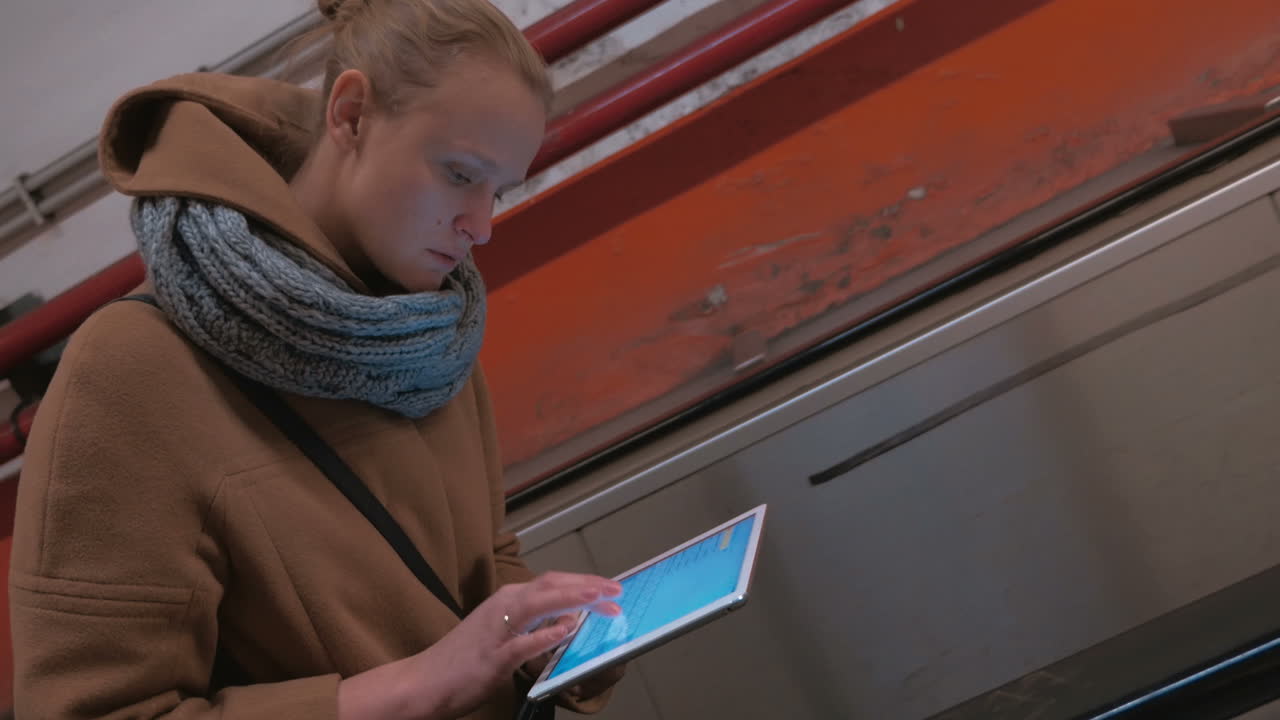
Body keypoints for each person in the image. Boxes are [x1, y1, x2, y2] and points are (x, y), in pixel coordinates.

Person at [9, 0, 628, 718]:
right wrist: (418, 686)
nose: (481, 226)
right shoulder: (129, 370)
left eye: (499, 190)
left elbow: (476, 566)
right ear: (353, 114)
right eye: (460, 174)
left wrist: (548, 631)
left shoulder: (428, 332)